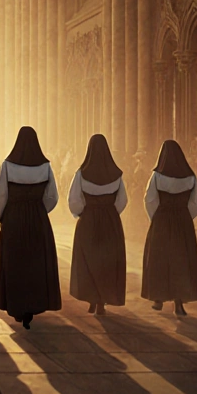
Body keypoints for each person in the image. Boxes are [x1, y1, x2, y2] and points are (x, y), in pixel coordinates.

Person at [0, 127, 61, 329]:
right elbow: (52, 196)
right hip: (38, 219)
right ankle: (32, 306)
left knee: (15, 263)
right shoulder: (45, 166)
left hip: (13, 218)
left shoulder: (7, 166)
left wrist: (3, 217)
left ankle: (17, 306)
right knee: (35, 263)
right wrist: (39, 211)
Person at [141, 140, 197, 316]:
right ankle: (178, 303)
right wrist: (184, 216)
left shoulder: (157, 176)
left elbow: (149, 199)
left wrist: (156, 217)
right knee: (181, 260)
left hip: (162, 219)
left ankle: (158, 298)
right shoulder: (190, 176)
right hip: (183, 221)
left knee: (159, 258)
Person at [68, 134, 128, 315]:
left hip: (89, 219)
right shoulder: (116, 174)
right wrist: (110, 213)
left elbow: (74, 199)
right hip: (110, 221)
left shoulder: (81, 173)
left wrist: (82, 213)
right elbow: (122, 200)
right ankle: (102, 301)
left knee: (89, 259)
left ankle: (92, 299)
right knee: (107, 260)